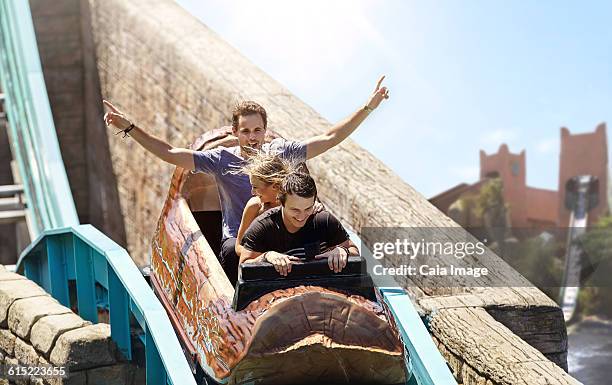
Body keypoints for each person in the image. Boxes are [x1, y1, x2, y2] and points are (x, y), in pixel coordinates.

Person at [103, 76, 388, 283]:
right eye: (246, 131)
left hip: (282, 228)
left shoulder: (281, 151)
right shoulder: (222, 159)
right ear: (235, 131)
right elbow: (170, 152)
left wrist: (368, 107)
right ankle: (236, 307)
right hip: (243, 237)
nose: (252, 137)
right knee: (229, 250)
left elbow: (329, 138)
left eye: (258, 130)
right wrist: (129, 127)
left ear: (265, 131)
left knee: (316, 237)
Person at [240, 172, 359, 276]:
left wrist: (343, 251)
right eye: (295, 210)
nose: (301, 217)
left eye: (308, 209)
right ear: (281, 203)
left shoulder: (324, 220)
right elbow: (243, 267)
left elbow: (354, 251)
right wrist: (266, 257)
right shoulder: (262, 227)